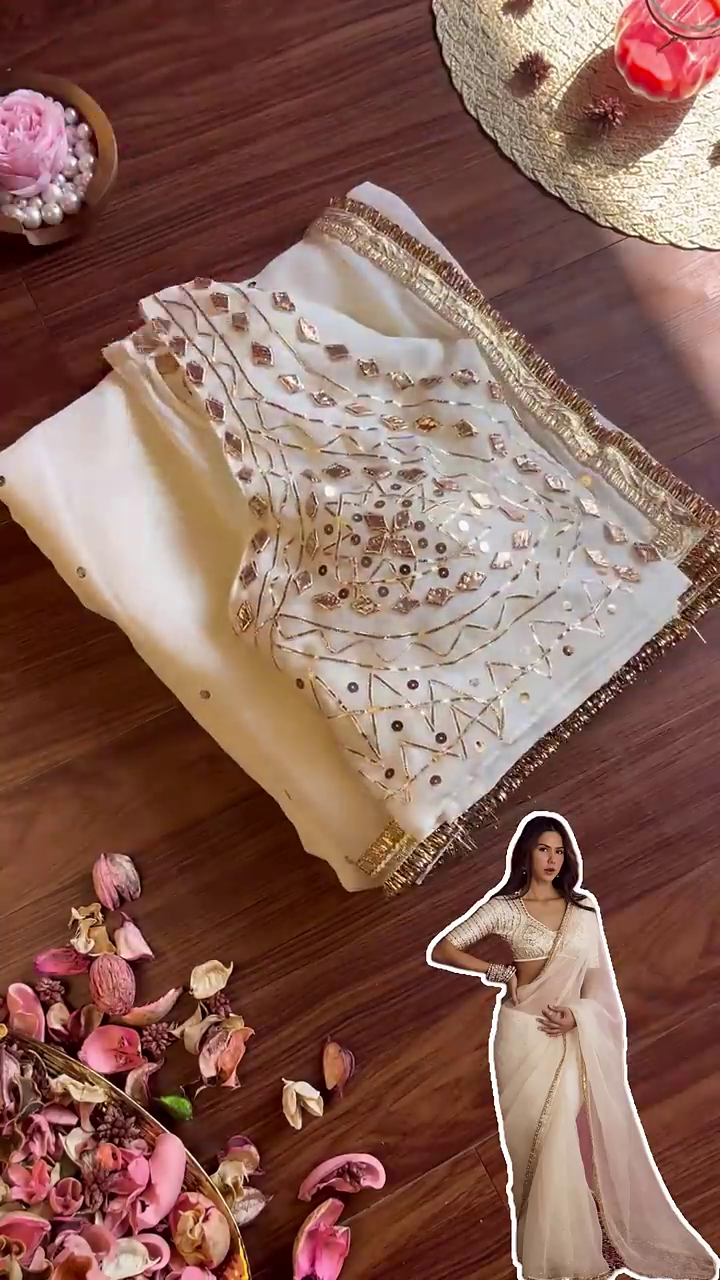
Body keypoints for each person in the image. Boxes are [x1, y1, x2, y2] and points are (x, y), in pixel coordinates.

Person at [428, 812, 718, 1280]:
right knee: (536, 1143)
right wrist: (494, 971)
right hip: (524, 1035)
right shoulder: (505, 908)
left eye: (560, 851)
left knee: (575, 1130)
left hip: (568, 1032)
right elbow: (444, 948)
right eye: (544, 849)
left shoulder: (584, 911)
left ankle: (598, 1240)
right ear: (526, 854)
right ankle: (561, 1254)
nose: (552, 859)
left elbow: (600, 984)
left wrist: (578, 1015)